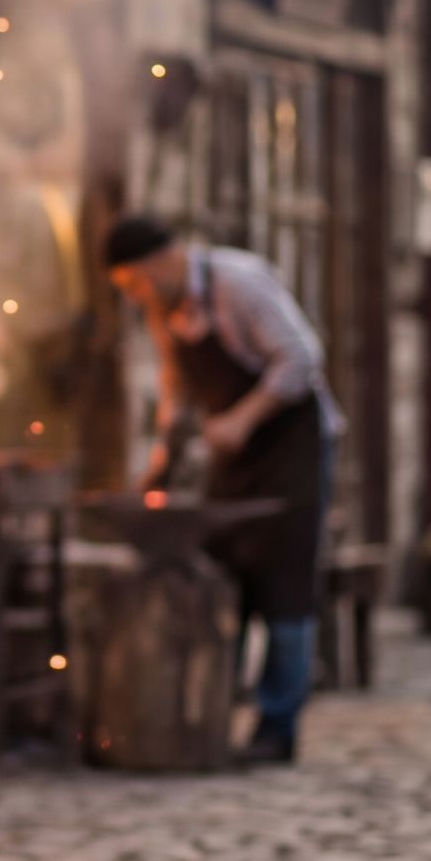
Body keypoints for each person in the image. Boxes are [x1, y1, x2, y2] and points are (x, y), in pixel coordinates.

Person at [103, 214, 341, 767]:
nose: (135, 297)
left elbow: (302, 358)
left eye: (134, 283)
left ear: (160, 262)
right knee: (227, 571)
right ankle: (208, 713)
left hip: (292, 448)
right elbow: (177, 388)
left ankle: (276, 728)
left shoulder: (241, 283)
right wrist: (160, 465)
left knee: (285, 584)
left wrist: (242, 419)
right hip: (235, 456)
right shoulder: (165, 310)